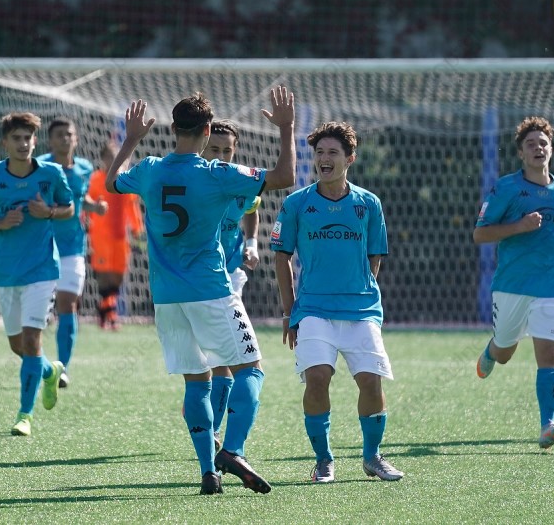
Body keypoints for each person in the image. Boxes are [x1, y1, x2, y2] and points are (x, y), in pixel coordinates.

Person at [105, 88, 296, 495]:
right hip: (211, 290)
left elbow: (112, 182)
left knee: (196, 382)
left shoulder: (150, 168)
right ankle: (233, 450)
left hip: (166, 297)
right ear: (208, 131)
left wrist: (132, 138)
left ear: (174, 128)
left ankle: (208, 472)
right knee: (251, 368)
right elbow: (285, 177)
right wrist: (286, 128)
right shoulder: (216, 173)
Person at [271, 121, 404, 484]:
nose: (324, 159)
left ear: (350, 159)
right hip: (313, 310)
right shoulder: (297, 203)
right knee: (317, 378)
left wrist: (359, 289)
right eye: (319, 153)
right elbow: (281, 256)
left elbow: (375, 256)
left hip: (361, 310)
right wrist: (289, 311)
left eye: (332, 152)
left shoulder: (368, 203)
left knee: (371, 382)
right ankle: (323, 460)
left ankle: (373, 457)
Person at [473, 116, 554, 449]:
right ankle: (492, 350)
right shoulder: (506, 188)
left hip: (552, 284)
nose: (538, 148)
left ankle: (547, 426)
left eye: (543, 143)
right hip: (512, 285)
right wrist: (519, 226)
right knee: (505, 352)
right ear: (521, 153)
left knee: (549, 354)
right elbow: (480, 234)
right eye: (530, 144)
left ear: (551, 149)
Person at [0, 112, 74, 436]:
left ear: (34, 141)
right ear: (5, 142)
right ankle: (50, 371)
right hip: (6, 273)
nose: (23, 143)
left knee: (31, 340)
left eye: (27, 138)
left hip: (42, 271)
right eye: (16, 138)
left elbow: (69, 207)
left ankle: (24, 416)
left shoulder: (51, 173)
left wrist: (49, 212)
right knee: (20, 347)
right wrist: (0, 223)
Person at [200, 119, 262, 453]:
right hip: (196, 279)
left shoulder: (241, 180)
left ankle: (212, 431)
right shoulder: (193, 179)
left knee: (224, 356)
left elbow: (251, 209)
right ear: (202, 147)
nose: (222, 156)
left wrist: (251, 243)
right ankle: (205, 416)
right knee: (211, 359)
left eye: (228, 151)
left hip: (230, 275)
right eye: (215, 149)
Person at [39, 117, 108, 388]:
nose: (65, 139)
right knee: (38, 312)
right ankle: (39, 364)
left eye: (69, 134)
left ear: (76, 139)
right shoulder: (39, 166)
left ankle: (63, 368)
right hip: (41, 247)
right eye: (59, 135)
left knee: (68, 304)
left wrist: (95, 207)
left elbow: (80, 200)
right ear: (50, 140)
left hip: (73, 249)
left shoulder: (84, 168)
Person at [86, 140, 144, 331]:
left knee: (118, 276)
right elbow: (86, 203)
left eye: (118, 157)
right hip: (101, 236)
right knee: (104, 274)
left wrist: (137, 229)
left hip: (121, 237)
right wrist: (84, 220)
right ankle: (109, 315)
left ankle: (105, 310)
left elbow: (131, 207)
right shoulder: (96, 179)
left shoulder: (124, 181)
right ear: (103, 159)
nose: (114, 160)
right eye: (110, 157)